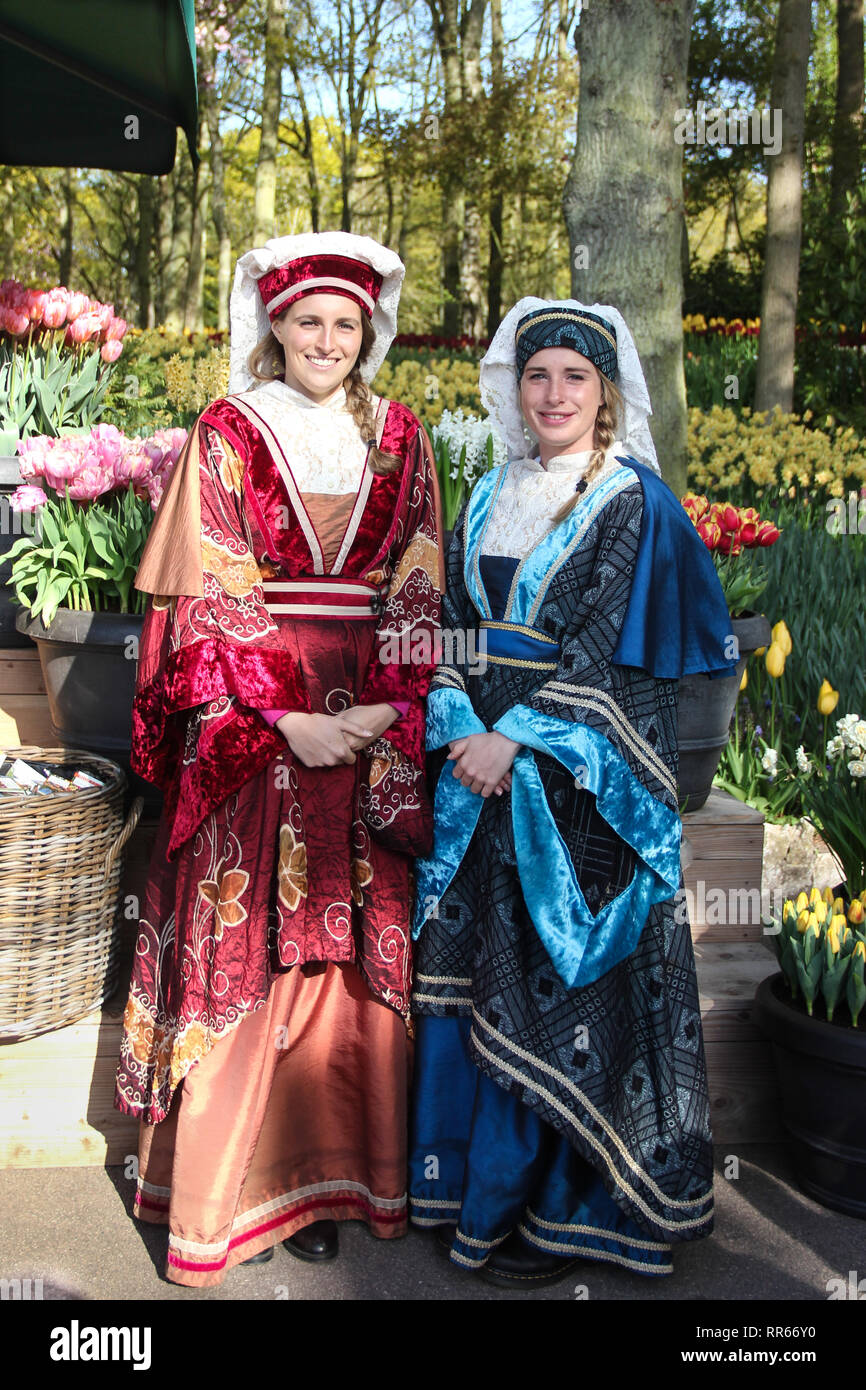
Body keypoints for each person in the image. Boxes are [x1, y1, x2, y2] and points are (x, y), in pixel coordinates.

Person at [114, 232, 443, 1287]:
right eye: (308, 321)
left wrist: (388, 709)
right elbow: (208, 589)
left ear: (369, 332)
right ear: (273, 326)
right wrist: (281, 719)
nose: (328, 341)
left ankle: (341, 1174)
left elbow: (420, 578)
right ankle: (228, 1191)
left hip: (369, 715)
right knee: (253, 932)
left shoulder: (401, 438)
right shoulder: (226, 430)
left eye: (347, 324)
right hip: (261, 725)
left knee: (347, 951)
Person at [408, 299, 738, 1287]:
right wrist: (458, 721)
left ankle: (557, 1211)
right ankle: (466, 1193)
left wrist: (514, 740)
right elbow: (455, 629)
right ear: (515, 386)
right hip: (476, 767)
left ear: (605, 395)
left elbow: (609, 659)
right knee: (469, 974)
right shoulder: (483, 493)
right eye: (537, 375)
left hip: (570, 785)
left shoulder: (628, 500)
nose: (552, 395)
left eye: (574, 379)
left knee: (556, 989)